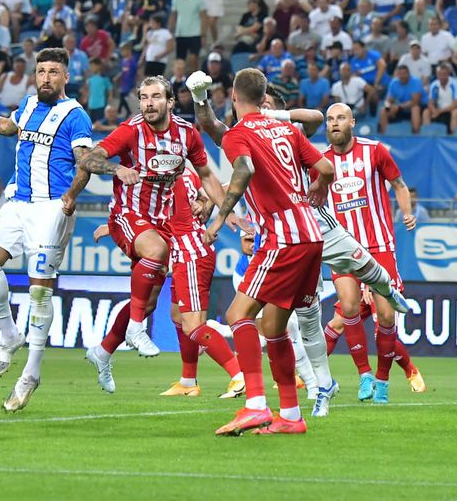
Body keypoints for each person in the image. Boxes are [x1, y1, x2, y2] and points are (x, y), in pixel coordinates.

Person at [188, 73, 409, 415]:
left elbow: (314, 121)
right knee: (306, 318)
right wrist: (202, 99)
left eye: (273, 107)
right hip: (299, 231)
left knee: (354, 267)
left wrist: (220, 218)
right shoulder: (253, 134)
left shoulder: (283, 128)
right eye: (264, 104)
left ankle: (263, 403)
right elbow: (212, 125)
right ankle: (322, 385)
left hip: (302, 229)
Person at [0, 48, 93, 412]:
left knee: (40, 289)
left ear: (66, 77)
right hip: (18, 202)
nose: (45, 78)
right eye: (41, 71)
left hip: (51, 208)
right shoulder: (27, 105)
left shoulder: (75, 116)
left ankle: (32, 372)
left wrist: (72, 195)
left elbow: (84, 162)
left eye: (53, 72)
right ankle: (9, 333)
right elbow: (6, 127)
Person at [203, 68, 334, 436]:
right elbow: (325, 167)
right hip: (311, 235)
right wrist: (318, 187)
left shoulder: (238, 134)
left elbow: (242, 169)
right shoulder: (288, 129)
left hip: (283, 237)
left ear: (232, 97)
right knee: (274, 328)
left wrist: (220, 218)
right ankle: (291, 416)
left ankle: (256, 405)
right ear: (264, 99)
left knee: (237, 314)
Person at [79, 76, 224, 389]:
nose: (148, 103)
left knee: (146, 304)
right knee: (156, 254)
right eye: (143, 97)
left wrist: (227, 212)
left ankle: (102, 352)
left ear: (170, 102)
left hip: (163, 222)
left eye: (156, 96)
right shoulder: (131, 130)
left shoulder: (187, 134)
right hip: (128, 214)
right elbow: (88, 158)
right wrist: (117, 168)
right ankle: (135, 329)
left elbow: (207, 176)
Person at [320, 103, 424, 402]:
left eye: (340, 118)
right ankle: (364, 375)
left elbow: (399, 184)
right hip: (342, 247)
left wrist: (406, 213)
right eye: (329, 119)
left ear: (352, 122)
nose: (334, 123)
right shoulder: (322, 161)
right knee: (349, 308)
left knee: (386, 315)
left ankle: (383, 380)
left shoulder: (375, 150)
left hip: (378, 245)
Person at [151, 166, 244, 399]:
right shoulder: (185, 174)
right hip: (182, 255)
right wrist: (205, 202)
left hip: (191, 255)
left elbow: (220, 187)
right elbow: (217, 188)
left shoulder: (165, 177)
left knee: (193, 325)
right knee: (177, 316)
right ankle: (188, 381)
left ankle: (239, 375)